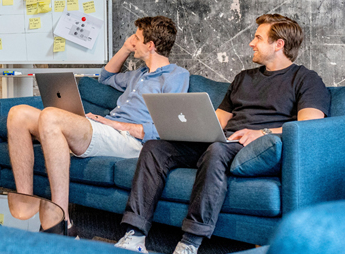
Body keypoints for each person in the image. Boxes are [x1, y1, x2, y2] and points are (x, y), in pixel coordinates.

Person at [115, 14, 331, 254]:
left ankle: (189, 242)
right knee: (155, 147)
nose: (251, 42)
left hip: (257, 146)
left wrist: (261, 132)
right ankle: (134, 235)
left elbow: (309, 126)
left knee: (216, 149)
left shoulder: (306, 79)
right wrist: (188, 129)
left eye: (258, 37)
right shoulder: (243, 78)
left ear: (278, 44)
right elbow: (218, 120)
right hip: (224, 141)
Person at [7, 16, 190, 235]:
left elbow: (166, 128)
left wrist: (117, 124)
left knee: (51, 116)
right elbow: (105, 77)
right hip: (108, 131)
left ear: (150, 45)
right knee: (17, 114)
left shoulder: (176, 76)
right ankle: (26, 200)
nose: (132, 40)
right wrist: (124, 48)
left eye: (137, 37)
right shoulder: (138, 75)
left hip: (131, 141)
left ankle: (62, 220)